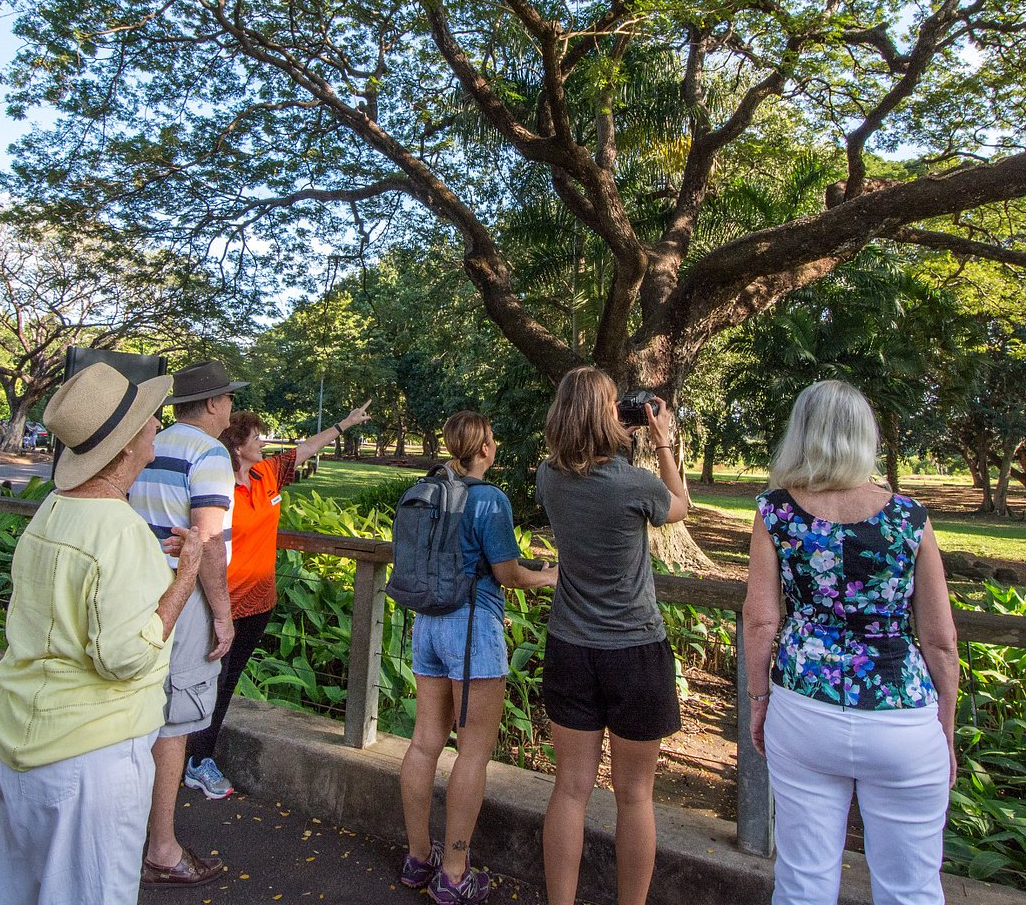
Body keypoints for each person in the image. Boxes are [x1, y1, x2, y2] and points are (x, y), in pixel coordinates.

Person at [0, 362, 206, 905]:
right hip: (85, 760)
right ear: (126, 446)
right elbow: (125, 657)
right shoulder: (119, 530)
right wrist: (185, 578)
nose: (157, 424)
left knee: (12, 889)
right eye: (148, 418)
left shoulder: (54, 508)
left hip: (11, 733)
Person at [742, 380, 959, 905]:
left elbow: (760, 622)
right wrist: (944, 729)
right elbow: (940, 640)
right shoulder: (910, 519)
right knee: (911, 890)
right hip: (902, 713)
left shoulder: (776, 512)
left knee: (803, 882)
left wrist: (758, 701)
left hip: (804, 708)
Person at [535, 367, 690, 905]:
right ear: (609, 418)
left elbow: (576, 461)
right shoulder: (634, 483)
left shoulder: (546, 478)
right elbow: (679, 508)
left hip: (570, 647)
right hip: (635, 651)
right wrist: (662, 441)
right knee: (635, 796)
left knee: (571, 789)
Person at [399, 411, 559, 905]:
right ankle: (453, 874)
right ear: (484, 448)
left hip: (426, 625)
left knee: (425, 743)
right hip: (472, 631)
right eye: (492, 439)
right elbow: (509, 573)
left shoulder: (429, 488)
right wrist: (548, 576)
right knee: (473, 753)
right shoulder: (489, 498)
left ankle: (418, 857)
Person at [183, 399, 374, 797]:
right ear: (237, 447)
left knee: (228, 682)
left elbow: (306, 448)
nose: (263, 443)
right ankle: (196, 760)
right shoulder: (218, 485)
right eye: (256, 438)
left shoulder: (268, 473)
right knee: (211, 684)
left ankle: (197, 755)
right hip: (224, 602)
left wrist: (345, 422)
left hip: (260, 600)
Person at [129, 359, 246, 887]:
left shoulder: (146, 443)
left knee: (133, 713)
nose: (232, 410)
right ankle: (161, 848)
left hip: (134, 592)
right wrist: (223, 614)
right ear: (215, 404)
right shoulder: (209, 454)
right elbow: (209, 547)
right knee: (173, 723)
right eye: (229, 401)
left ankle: (127, 834)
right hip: (183, 596)